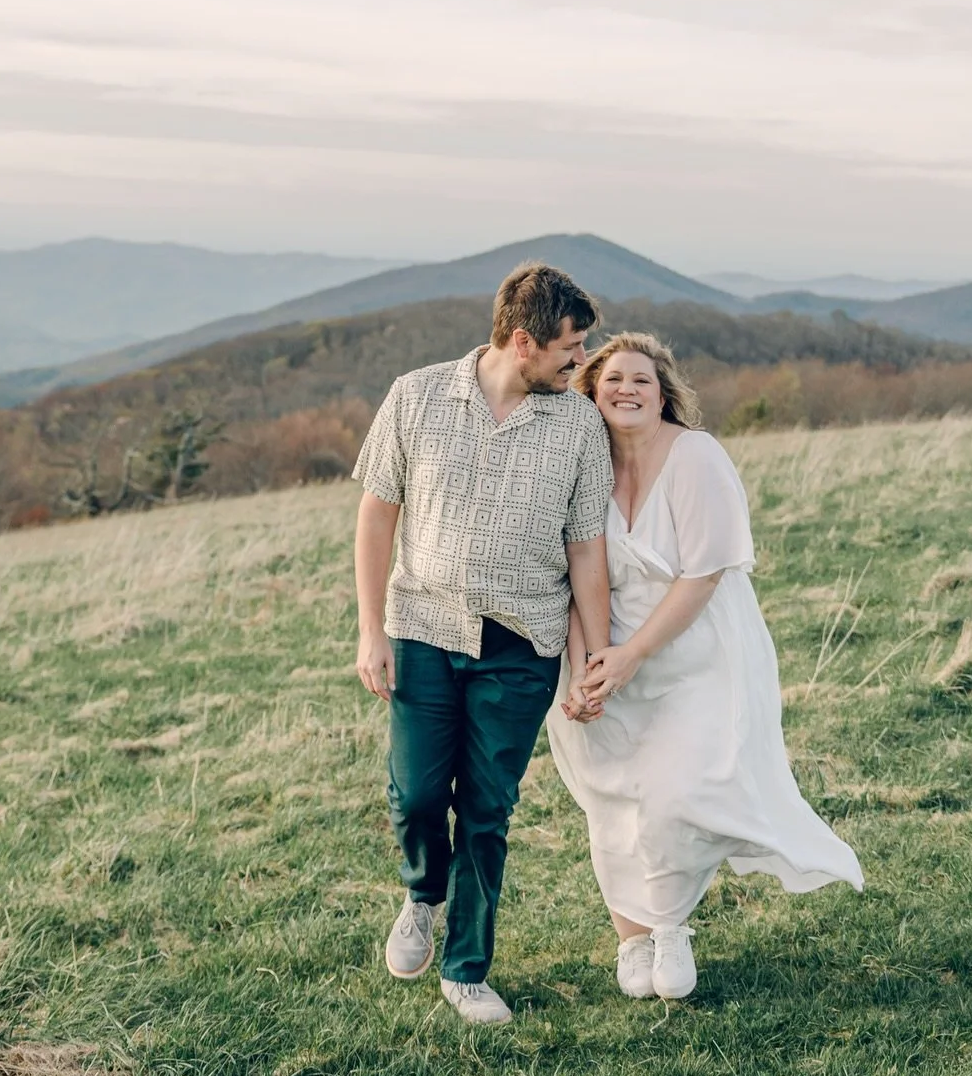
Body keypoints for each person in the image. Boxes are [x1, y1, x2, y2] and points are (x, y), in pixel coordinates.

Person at [548, 332, 863, 1002]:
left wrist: (633, 655)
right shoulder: (583, 466)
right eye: (612, 380)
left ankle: (668, 926)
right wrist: (586, 668)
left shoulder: (695, 457)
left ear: (664, 393)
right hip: (604, 651)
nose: (627, 388)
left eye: (641, 379)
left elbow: (703, 575)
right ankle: (631, 938)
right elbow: (575, 572)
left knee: (674, 791)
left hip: (692, 656)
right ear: (591, 394)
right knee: (614, 798)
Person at [352, 262, 613, 1025]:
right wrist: (372, 631)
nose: (582, 362)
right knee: (421, 794)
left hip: (522, 642)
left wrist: (593, 656)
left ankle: (467, 967)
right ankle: (421, 893)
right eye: (571, 348)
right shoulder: (415, 395)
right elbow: (376, 517)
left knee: (488, 808)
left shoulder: (579, 425)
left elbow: (587, 548)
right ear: (523, 341)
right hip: (423, 629)